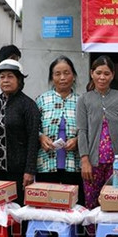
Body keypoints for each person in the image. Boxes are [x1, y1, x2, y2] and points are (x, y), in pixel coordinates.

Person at [77, 55, 118, 237]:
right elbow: (82, 131)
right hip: (92, 164)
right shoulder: (84, 100)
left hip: (117, 164)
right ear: (91, 74)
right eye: (98, 73)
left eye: (106, 73)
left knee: (115, 206)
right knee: (92, 206)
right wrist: (84, 159)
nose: (102, 77)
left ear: (112, 75)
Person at [0, 60, 40, 205]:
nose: (5, 80)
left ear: (19, 80)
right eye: (2, 77)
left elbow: (33, 139)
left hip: (19, 170)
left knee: (18, 207)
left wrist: (29, 170)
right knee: (1, 206)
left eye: (10, 76)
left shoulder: (28, 105)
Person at [36, 56, 84, 203]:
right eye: (57, 74)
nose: (62, 77)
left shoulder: (81, 101)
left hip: (73, 164)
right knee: (48, 206)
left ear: (74, 76)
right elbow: (33, 127)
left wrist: (78, 140)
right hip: (47, 164)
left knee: (73, 206)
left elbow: (87, 129)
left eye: (67, 73)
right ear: (52, 77)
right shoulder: (42, 100)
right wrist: (41, 137)